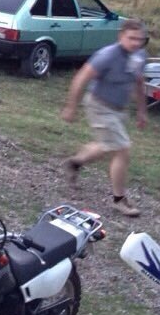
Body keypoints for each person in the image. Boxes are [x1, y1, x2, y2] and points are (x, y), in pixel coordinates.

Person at [60, 18, 149, 217]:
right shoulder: (107, 55)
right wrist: (71, 107)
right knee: (122, 150)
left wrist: (142, 110)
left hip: (119, 109)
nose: (135, 43)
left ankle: (75, 162)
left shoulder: (140, 55)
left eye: (140, 39)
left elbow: (139, 82)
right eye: (131, 38)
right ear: (121, 36)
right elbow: (81, 78)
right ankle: (119, 200)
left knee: (108, 145)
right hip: (99, 106)